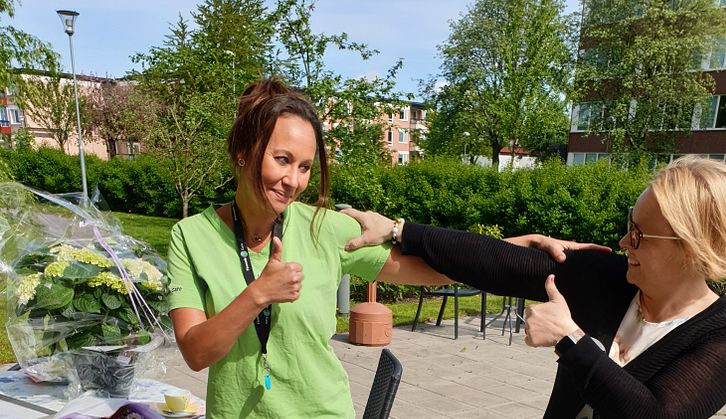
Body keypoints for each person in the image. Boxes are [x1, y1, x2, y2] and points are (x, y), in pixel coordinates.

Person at [165, 78, 601, 418]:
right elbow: (197, 353)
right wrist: (258, 293)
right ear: (242, 151)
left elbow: (430, 269)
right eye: (282, 160)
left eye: (304, 167)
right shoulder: (190, 237)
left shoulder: (326, 228)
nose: (294, 180)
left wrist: (518, 245)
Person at [343, 156, 726, 418]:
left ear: (692, 249)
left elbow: (653, 414)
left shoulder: (725, 339)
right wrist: (400, 230)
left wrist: (571, 340)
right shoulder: (606, 277)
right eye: (629, 227)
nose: (624, 244)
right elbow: (494, 262)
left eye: (639, 235)